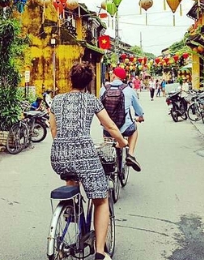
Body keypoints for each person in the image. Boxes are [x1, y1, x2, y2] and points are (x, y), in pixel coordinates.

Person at [50, 62, 126, 260]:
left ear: (70, 79)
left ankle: (71, 209)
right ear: (89, 81)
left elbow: (54, 131)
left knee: (71, 174)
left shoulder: (56, 101)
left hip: (58, 156)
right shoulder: (91, 100)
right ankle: (100, 252)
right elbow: (110, 126)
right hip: (84, 155)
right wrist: (122, 142)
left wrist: (65, 148)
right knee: (101, 199)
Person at [99, 67, 144, 171]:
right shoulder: (129, 90)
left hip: (108, 129)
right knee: (134, 129)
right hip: (125, 128)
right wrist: (140, 116)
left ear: (113, 75)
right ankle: (131, 155)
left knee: (106, 134)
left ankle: (107, 158)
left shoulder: (103, 89)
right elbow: (139, 110)